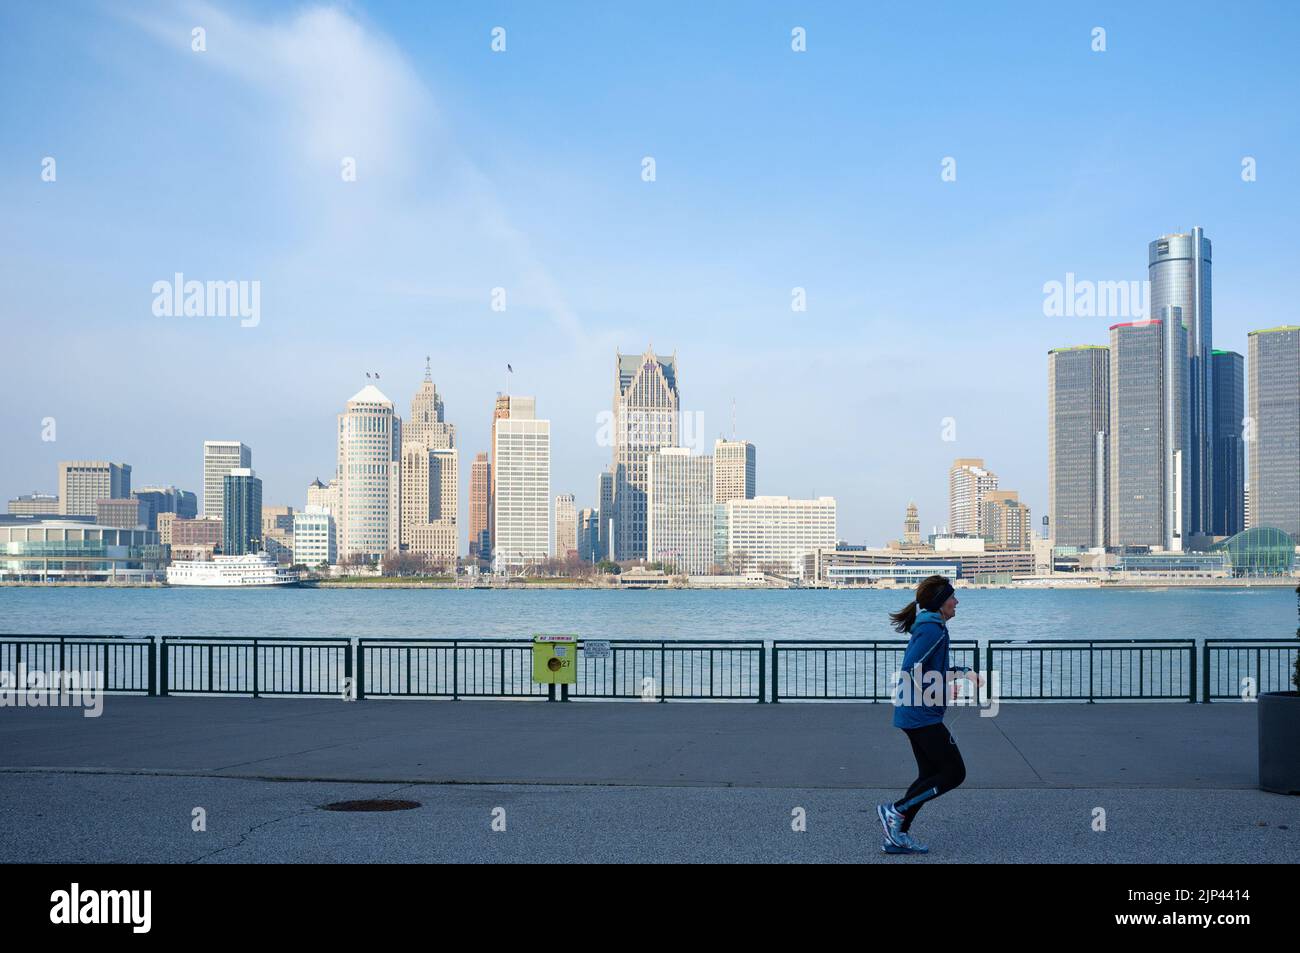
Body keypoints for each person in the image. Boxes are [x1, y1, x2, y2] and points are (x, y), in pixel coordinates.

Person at [876, 574, 982, 855]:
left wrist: (964, 673)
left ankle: (896, 835)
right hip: (920, 715)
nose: (956, 602)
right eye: (952, 597)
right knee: (954, 773)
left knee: (929, 775)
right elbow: (912, 670)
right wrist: (939, 692)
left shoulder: (932, 627)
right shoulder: (933, 630)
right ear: (940, 603)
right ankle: (896, 810)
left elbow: (932, 670)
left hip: (916, 713)